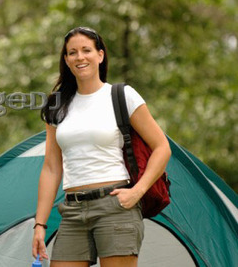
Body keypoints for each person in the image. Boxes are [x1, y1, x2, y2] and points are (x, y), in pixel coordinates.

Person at [32, 27, 171, 267]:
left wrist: (137, 191)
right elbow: (52, 168)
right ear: (66, 60)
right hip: (72, 211)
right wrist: (40, 225)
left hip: (115, 206)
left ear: (100, 55)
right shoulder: (57, 105)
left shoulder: (121, 95)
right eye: (72, 52)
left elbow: (162, 147)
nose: (80, 57)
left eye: (86, 50)